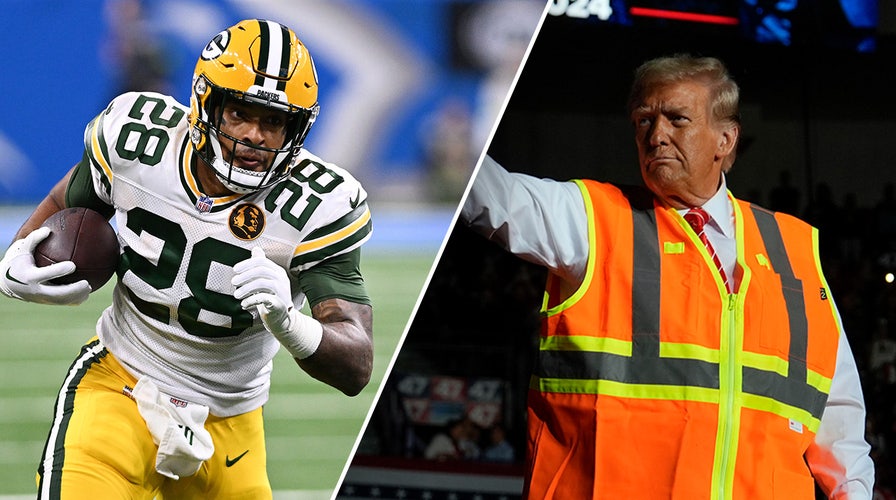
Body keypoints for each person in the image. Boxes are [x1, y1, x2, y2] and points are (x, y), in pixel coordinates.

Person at [460, 54, 874, 498]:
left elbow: (840, 419)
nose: (656, 136)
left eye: (677, 119)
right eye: (643, 121)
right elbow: (490, 195)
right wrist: (443, 116)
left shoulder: (794, 251)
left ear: (725, 139)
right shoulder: (593, 220)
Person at [0, 19, 374, 499]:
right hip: (120, 383)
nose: (256, 135)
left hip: (232, 423)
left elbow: (357, 365)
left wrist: (290, 322)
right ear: (206, 103)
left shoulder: (319, 205)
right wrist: (16, 262)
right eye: (241, 112)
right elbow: (59, 212)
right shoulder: (139, 141)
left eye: (274, 121)